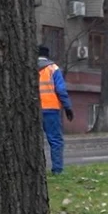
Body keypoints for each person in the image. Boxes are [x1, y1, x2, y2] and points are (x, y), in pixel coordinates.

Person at [38, 46, 74, 175]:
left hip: (33, 110)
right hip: (51, 109)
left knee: (33, 140)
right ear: (48, 55)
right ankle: (57, 169)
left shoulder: (28, 68)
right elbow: (60, 90)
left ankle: (35, 170)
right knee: (55, 140)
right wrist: (68, 107)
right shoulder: (53, 68)